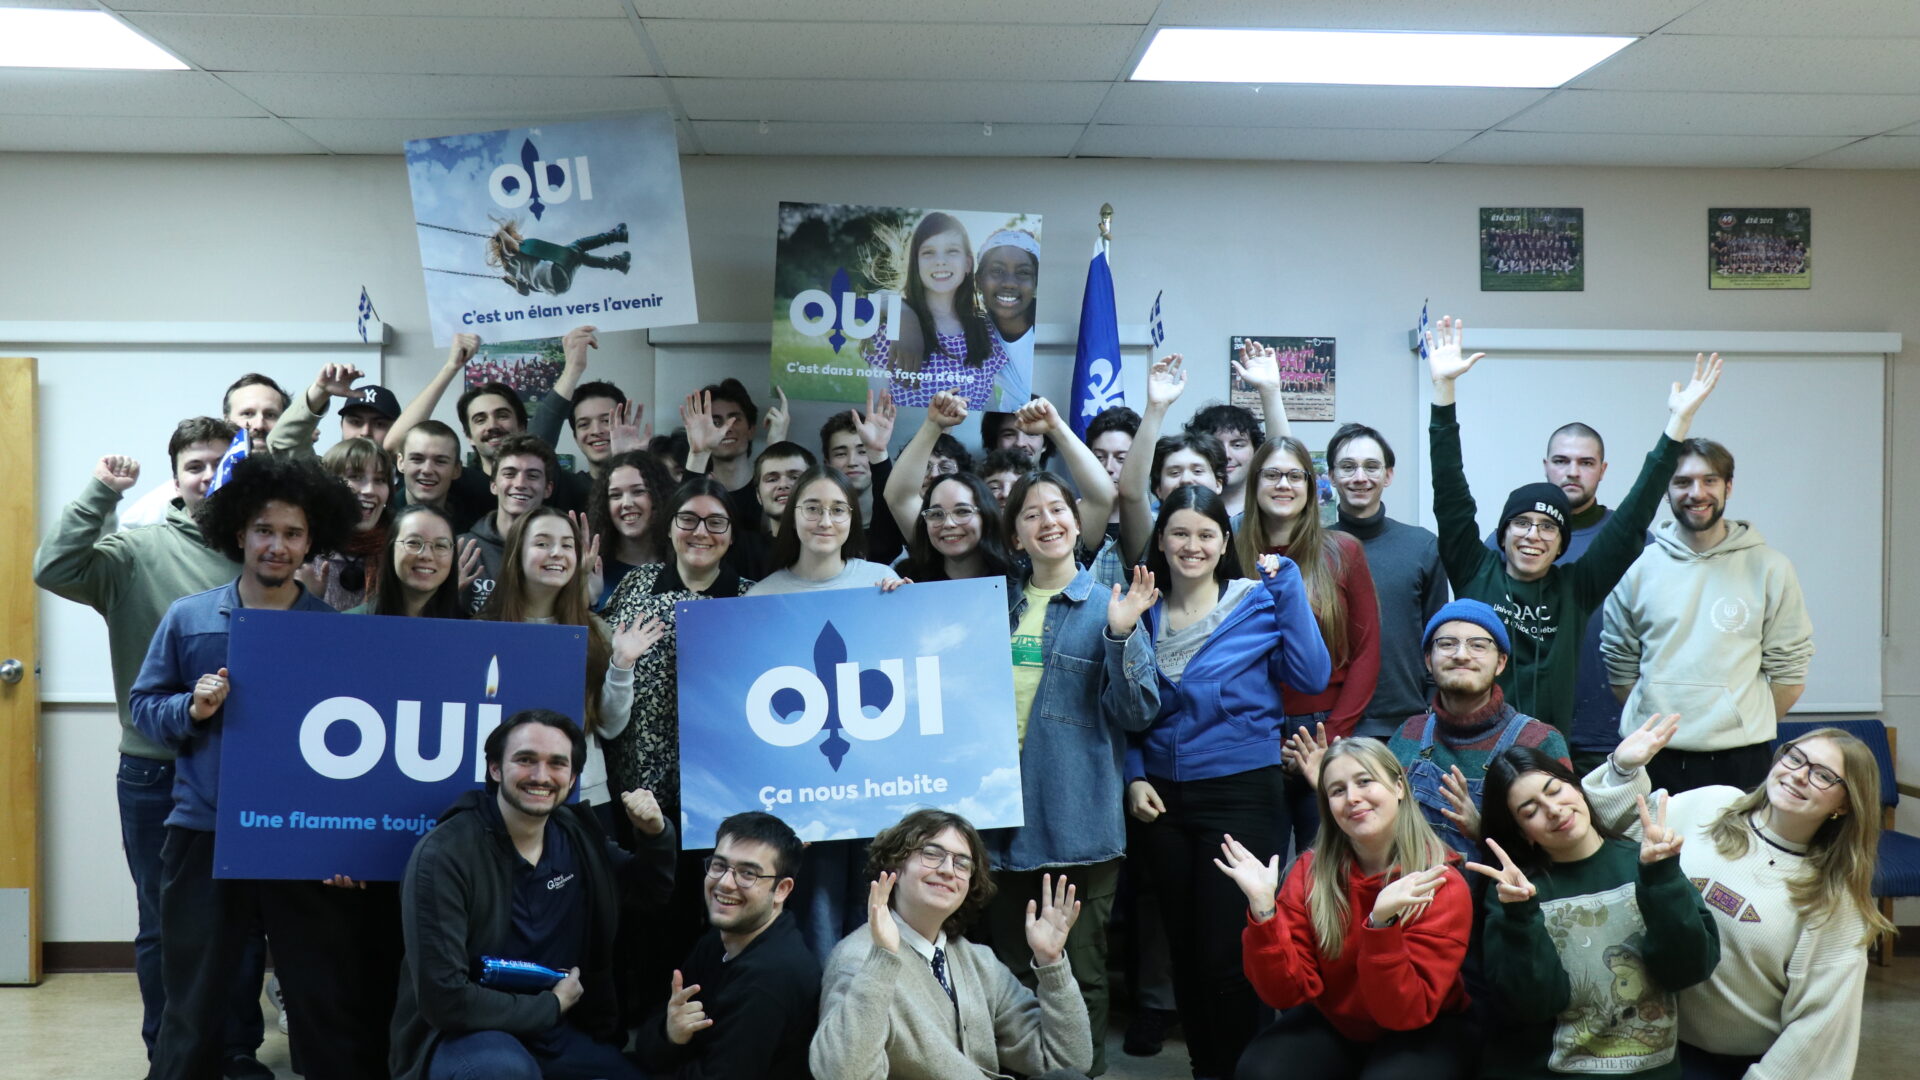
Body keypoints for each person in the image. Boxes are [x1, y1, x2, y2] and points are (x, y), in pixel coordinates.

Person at [129, 454, 389, 1080]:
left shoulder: (332, 631)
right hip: (205, 832)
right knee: (192, 998)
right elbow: (143, 707)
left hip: (301, 838)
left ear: (312, 539)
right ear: (239, 533)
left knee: (321, 996)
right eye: (265, 530)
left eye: (293, 533)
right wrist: (190, 707)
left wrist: (347, 845)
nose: (278, 545)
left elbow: (358, 752)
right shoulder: (190, 618)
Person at [31, 418, 275, 1074]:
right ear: (178, 477)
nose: (208, 476)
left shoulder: (260, 553)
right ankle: (172, 1057)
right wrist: (98, 493)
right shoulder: (134, 551)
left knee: (243, 922)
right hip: (156, 769)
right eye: (196, 465)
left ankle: (235, 1053)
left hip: (245, 770)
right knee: (166, 924)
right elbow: (53, 566)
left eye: (221, 464)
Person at [1426, 315, 1722, 735]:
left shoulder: (1576, 590)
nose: (1533, 535)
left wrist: (1676, 427)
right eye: (1522, 524)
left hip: (1550, 754)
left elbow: (1635, 515)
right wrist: (1443, 392)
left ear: (1562, 543)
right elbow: (1450, 494)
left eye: (1547, 528)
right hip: (1476, 747)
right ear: (1503, 533)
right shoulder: (1477, 569)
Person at [1123, 484, 1332, 1079]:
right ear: (1160, 540)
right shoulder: (1141, 608)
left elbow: (1312, 674)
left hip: (1242, 793)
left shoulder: (1257, 600)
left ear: (1224, 544)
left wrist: (1288, 587)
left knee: (1229, 952)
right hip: (1161, 800)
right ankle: (1205, 1069)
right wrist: (1134, 776)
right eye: (1180, 533)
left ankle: (1246, 1070)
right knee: (1184, 951)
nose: (1192, 545)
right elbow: (1124, 707)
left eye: (1205, 535)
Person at [1582, 717, 1889, 1079]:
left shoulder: (1833, 901)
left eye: (1823, 776)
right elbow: (1621, 828)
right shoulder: (1714, 804)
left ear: (1845, 804)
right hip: (1638, 1038)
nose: (1799, 775)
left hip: (1728, 1064)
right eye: (1795, 758)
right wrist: (1624, 767)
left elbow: (1817, 1032)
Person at [390, 708, 676, 1080]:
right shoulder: (444, 855)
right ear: (495, 769)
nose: (541, 776)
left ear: (573, 778)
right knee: (504, 1072)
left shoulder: (576, 835)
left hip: (558, 1034)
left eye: (557, 764)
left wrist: (655, 835)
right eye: (525, 760)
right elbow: (446, 1000)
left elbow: (648, 893)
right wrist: (552, 1006)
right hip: (467, 1037)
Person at [988, 468, 1158, 1075]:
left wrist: (1121, 635)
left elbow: (1137, 713)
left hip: (1077, 823)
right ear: (1015, 536)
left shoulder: (1109, 606)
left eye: (1057, 509)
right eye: (1030, 514)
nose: (1047, 522)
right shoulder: (992, 607)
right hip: (996, 819)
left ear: (1077, 521)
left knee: (1078, 973)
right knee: (1007, 972)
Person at [1222, 739, 1474, 1080]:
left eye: (1365, 781)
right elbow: (1285, 993)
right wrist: (1265, 912)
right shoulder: (1310, 872)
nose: (1352, 798)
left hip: (1423, 1024)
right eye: (1337, 791)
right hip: (1338, 1019)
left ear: (1398, 787)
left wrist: (1382, 925)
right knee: (1261, 1071)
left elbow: (1404, 1014)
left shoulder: (1441, 880)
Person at [602, 477, 758, 1024]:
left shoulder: (751, 598)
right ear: (669, 527)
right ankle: (646, 1032)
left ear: (732, 534)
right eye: (688, 518)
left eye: (716, 522)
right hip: (642, 797)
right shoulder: (638, 585)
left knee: (711, 921)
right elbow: (607, 679)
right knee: (645, 923)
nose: (701, 531)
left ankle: (703, 1029)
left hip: (719, 796)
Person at [1469, 747, 1721, 1079]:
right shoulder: (1512, 891)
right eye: (1531, 812)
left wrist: (1662, 880)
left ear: (1577, 787)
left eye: (1555, 791)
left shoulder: (1645, 862)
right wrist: (1522, 917)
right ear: (1520, 831)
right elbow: (1534, 1006)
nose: (1554, 811)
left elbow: (1688, 970)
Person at [810, 809, 1095, 1080]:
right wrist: (883, 958)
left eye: (962, 863)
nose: (948, 870)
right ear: (894, 864)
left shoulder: (979, 961)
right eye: (931, 854)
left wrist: (1051, 962)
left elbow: (1068, 1062)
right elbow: (842, 1073)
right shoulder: (858, 958)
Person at [1602, 439, 1814, 793]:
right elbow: (1620, 670)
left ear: (1728, 487)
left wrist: (1740, 720)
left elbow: (1790, 674)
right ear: (1666, 491)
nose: (1696, 493)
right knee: (1655, 850)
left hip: (1742, 759)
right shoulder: (1637, 567)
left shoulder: (1770, 568)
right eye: (1682, 482)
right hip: (1653, 756)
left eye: (1709, 480)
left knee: (1740, 850)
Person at [1480, 421, 1652, 775]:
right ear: (1546, 466)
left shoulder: (1636, 544)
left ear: (1603, 470)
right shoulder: (1504, 546)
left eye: (1586, 463)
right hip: (1518, 730)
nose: (1573, 471)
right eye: (1561, 460)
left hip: (1611, 729)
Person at [1237, 436, 1381, 853]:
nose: (1284, 484)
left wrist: (1329, 739)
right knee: (1257, 874)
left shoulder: (1343, 551)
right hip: (1250, 732)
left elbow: (1367, 653)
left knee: (1326, 873)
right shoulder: (1230, 552)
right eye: (1272, 474)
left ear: (1311, 486)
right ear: (1255, 483)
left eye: (1295, 475)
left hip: (1323, 731)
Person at [478, 506, 656, 820]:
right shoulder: (481, 630)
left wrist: (622, 664)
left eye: (567, 545)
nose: (556, 553)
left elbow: (610, 727)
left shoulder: (596, 631)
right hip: (505, 795)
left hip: (585, 795)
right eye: (543, 543)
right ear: (516, 554)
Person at [1367, 600, 1569, 856]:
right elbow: (1379, 834)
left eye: (1478, 645)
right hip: (1413, 891)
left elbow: (1562, 846)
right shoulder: (1409, 733)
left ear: (1500, 663)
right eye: (1447, 644)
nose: (1461, 655)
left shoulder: (1539, 741)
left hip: (1499, 894)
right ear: (1429, 660)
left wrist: (1481, 829)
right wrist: (1335, 782)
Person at [634, 812, 821, 1080]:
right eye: (719, 866)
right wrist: (669, 1034)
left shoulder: (771, 978)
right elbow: (651, 1036)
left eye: (748, 873)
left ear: (782, 889)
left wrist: (665, 1045)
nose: (724, 883)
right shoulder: (720, 938)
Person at [889, 392, 1112, 572]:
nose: (1005, 494)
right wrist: (932, 426)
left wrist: (1056, 428)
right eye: (993, 487)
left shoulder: (1054, 537)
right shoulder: (961, 538)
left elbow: (1102, 498)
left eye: (1017, 487)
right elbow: (899, 498)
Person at [1325, 423, 1450, 741]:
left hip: (1405, 721)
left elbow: (1437, 633)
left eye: (1371, 467)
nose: (1360, 478)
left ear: (1388, 475)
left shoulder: (1421, 546)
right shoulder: (1314, 549)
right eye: (1348, 467)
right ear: (1331, 476)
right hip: (1331, 720)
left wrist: (1431, 706)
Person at [863, 211, 1011, 408]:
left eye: (952, 251)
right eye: (928, 252)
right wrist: (905, 314)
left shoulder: (984, 328)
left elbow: (988, 404)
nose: (940, 261)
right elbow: (877, 410)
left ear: (967, 264)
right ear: (916, 264)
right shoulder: (894, 327)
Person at [118, 373, 291, 528]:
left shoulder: (297, 488)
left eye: (270, 415)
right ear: (227, 421)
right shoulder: (180, 494)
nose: (259, 425)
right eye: (247, 414)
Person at [745, 465, 908, 597]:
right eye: (812, 509)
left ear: (852, 520)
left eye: (838, 510)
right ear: (793, 518)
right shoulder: (761, 596)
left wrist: (908, 600)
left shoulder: (880, 581)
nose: (825, 522)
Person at [459, 433, 557, 612]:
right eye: (510, 474)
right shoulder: (461, 549)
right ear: (494, 485)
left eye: (533, 476)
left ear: (548, 489)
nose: (520, 483)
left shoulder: (559, 555)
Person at [294, 436, 394, 610]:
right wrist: (304, 601)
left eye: (379, 480)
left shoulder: (398, 551)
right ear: (327, 484)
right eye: (355, 477)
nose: (370, 490)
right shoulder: (301, 552)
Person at [680, 379, 784, 527]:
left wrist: (777, 447)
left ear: (751, 429)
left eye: (734, 420)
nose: (727, 428)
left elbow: (778, 533)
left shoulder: (765, 490)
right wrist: (699, 453)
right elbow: (682, 525)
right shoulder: (696, 489)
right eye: (716, 422)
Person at [819, 390, 906, 565]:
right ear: (827, 462)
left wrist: (877, 451)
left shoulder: (901, 516)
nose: (852, 462)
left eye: (862, 451)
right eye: (841, 453)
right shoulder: (820, 525)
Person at [586, 448, 675, 608]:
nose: (626, 503)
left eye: (638, 491)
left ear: (658, 496)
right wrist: (588, 602)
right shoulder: (591, 569)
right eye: (615, 495)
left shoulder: (680, 565)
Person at [267, 361, 402, 462]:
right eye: (355, 422)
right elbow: (280, 443)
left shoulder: (411, 480)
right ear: (341, 425)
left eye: (379, 424)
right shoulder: (323, 474)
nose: (365, 432)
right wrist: (320, 392)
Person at [353, 503, 469, 619]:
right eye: (413, 543)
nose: (427, 555)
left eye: (440, 545)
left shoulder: (470, 630)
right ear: (391, 549)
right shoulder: (351, 623)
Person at [723, 441, 815, 580]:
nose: (783, 485)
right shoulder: (743, 551)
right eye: (772, 479)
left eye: (795, 477)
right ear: (758, 496)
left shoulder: (831, 544)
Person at [976, 227, 1040, 408]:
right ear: (978, 280)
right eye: (997, 271)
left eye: (1023, 272)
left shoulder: (1042, 336)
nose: (1009, 283)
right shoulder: (971, 333)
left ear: (1035, 282)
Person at [487, 217, 631, 294]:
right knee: (578, 245)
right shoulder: (512, 253)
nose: (521, 235)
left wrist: (512, 283)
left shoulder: (514, 270)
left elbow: (524, 291)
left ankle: (619, 263)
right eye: (516, 234)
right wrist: (500, 234)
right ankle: (616, 236)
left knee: (577, 255)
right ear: (511, 238)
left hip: (560, 285)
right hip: (554, 273)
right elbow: (511, 245)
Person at [1184, 402, 1262, 520]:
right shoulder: (1178, 505)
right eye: (1216, 445)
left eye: (1237, 445)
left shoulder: (1269, 505)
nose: (1226, 455)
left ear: (1255, 450)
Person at [1085, 406, 1140, 543]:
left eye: (1121, 458)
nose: (1108, 467)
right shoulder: (1071, 519)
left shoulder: (1154, 524)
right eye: (1099, 457)